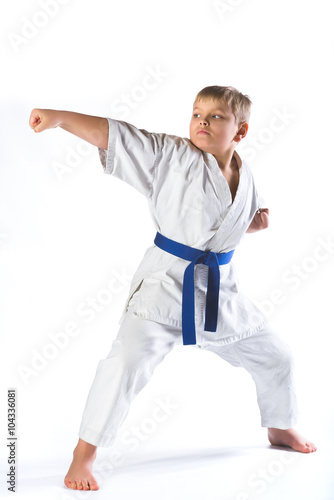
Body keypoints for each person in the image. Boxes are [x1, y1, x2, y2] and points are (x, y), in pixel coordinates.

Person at [29, 86, 317, 491]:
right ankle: (83, 455)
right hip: (164, 285)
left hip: (220, 293)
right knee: (125, 363)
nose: (202, 121)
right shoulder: (170, 155)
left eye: (216, 116)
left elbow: (231, 216)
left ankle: (280, 425)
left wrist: (253, 221)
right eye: (197, 113)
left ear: (241, 131)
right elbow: (115, 135)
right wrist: (59, 117)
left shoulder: (242, 171)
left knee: (277, 355)